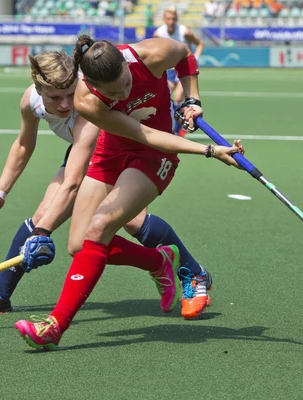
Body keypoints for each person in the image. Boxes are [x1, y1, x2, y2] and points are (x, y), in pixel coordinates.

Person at [15, 35, 245, 350]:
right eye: (113, 93)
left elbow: (186, 56)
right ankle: (158, 260)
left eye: (125, 82)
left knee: (99, 228)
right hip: (119, 147)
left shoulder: (153, 53)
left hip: (154, 156)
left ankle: (54, 327)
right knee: (79, 244)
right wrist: (207, 150)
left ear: (126, 63)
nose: (124, 92)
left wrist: (192, 99)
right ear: (92, 85)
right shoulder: (86, 101)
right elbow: (143, 133)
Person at [0, 51, 218, 320]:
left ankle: (193, 272)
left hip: (114, 149)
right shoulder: (30, 101)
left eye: (70, 93)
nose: (66, 104)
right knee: (50, 224)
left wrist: (45, 231)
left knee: (133, 222)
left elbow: (74, 181)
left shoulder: (87, 104)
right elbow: (24, 143)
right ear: (38, 90)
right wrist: (0, 193)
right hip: (82, 154)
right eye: (55, 98)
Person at [154, 7, 204, 136]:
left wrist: (195, 59)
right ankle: (174, 125)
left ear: (177, 19)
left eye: (173, 19)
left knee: (178, 97)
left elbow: (200, 44)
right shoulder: (159, 33)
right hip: (169, 69)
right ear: (164, 19)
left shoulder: (184, 32)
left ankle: (177, 131)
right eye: (168, 19)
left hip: (184, 68)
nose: (171, 21)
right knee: (166, 94)